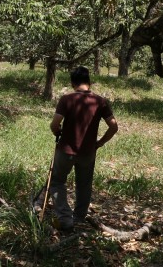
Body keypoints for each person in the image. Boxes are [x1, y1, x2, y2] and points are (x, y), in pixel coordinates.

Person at [37, 66, 119, 230]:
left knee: (57, 181)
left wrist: (56, 130)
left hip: (66, 150)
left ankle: (65, 217)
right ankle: (79, 217)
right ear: (89, 82)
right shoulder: (100, 101)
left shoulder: (67, 99)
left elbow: (55, 123)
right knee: (84, 184)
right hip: (88, 152)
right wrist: (99, 143)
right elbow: (114, 126)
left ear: (73, 83)